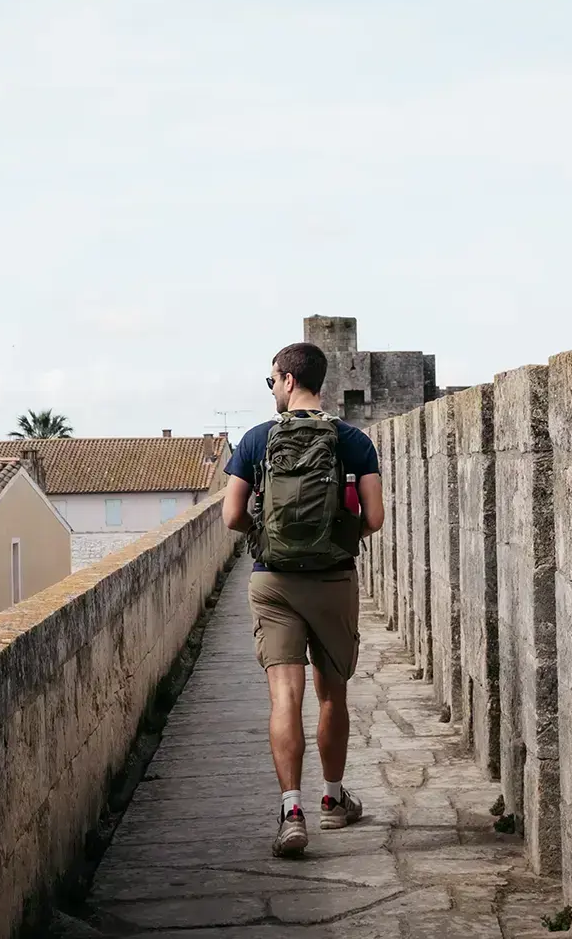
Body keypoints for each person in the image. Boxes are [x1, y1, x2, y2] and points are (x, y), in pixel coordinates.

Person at [223, 341, 385, 858]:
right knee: (332, 695)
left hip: (272, 582)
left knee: (284, 697)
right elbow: (375, 520)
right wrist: (338, 537)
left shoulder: (255, 440)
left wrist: (264, 537)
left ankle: (291, 813)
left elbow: (231, 516)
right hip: (333, 579)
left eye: (272, 380)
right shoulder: (353, 441)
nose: (271, 388)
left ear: (289, 381)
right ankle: (333, 802)